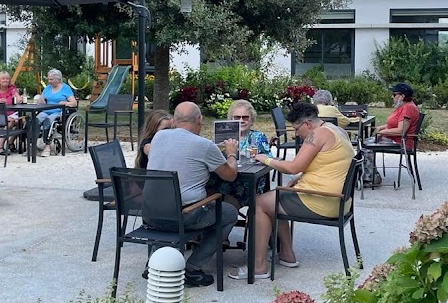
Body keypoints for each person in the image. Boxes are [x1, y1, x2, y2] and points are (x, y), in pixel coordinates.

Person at [240, 102, 353, 280]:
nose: (296, 134)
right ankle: (286, 254)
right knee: (277, 197)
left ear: (307, 124)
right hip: (340, 201)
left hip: (322, 201)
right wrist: (301, 178)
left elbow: (293, 167)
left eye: (296, 129)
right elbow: (330, 163)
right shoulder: (336, 130)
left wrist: (266, 159)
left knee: (259, 203)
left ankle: (258, 267)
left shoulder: (317, 135)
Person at [145, 102, 240, 287]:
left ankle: (155, 265)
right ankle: (192, 268)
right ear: (200, 120)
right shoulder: (204, 145)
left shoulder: (158, 137)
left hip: (151, 214)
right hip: (183, 216)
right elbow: (230, 175)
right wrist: (231, 154)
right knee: (229, 213)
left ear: (174, 121)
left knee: (175, 201)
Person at [215, 99, 271, 207]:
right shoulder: (223, 138)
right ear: (231, 120)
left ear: (252, 120)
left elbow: (268, 159)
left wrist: (257, 158)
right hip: (225, 179)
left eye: (245, 117)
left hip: (249, 183)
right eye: (237, 117)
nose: (241, 120)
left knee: (229, 201)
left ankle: (228, 212)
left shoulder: (258, 137)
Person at [35, 68, 77, 149]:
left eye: (51, 79)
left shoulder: (65, 88)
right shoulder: (47, 88)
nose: (49, 81)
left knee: (48, 121)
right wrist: (40, 99)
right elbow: (42, 102)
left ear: (58, 79)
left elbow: (74, 103)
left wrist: (65, 103)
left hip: (58, 112)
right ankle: (32, 144)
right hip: (46, 110)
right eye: (48, 79)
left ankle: (47, 144)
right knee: (35, 121)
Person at [374, 82, 420, 151]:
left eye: (394, 94)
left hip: (400, 143)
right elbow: (396, 124)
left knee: (365, 145)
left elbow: (401, 130)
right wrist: (380, 128)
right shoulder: (403, 106)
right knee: (367, 142)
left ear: (402, 96)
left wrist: (382, 132)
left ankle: (365, 158)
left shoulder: (408, 108)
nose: (392, 97)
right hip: (394, 140)